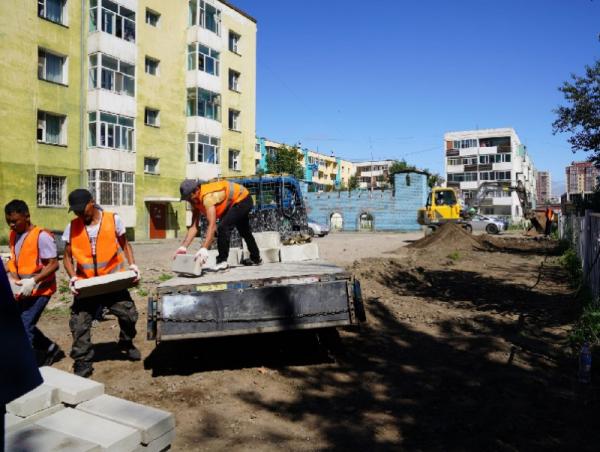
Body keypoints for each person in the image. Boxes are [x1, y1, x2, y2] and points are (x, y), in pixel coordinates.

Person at [62, 189, 141, 378]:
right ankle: (83, 361)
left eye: (83, 209)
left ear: (93, 202)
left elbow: (124, 244)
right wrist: (73, 276)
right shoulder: (72, 227)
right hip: (87, 285)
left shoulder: (113, 219)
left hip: (112, 283)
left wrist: (132, 265)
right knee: (79, 324)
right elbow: (66, 257)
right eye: (76, 212)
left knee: (129, 315)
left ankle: (126, 342)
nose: (80, 214)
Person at [4, 199, 63, 366]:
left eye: (15, 221)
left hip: (40, 290)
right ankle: (50, 348)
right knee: (19, 323)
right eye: (9, 222)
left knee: (23, 327)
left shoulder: (42, 236)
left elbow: (54, 264)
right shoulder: (14, 234)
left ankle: (26, 367)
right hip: (22, 289)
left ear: (27, 216)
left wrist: (33, 280)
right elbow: (15, 260)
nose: (12, 225)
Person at [176, 179, 261, 270]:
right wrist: (183, 247)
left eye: (189, 197)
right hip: (233, 202)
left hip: (243, 198)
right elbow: (193, 226)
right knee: (244, 231)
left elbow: (212, 226)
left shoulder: (208, 198)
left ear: (197, 190)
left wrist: (204, 248)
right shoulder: (195, 201)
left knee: (223, 227)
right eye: (186, 198)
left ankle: (222, 261)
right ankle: (256, 258)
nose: (189, 201)